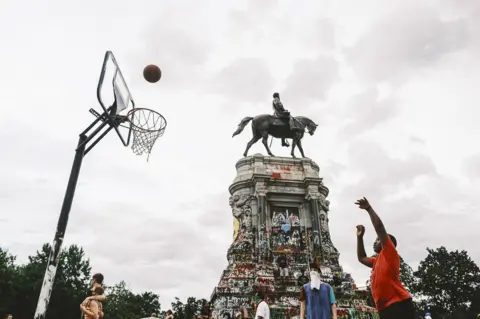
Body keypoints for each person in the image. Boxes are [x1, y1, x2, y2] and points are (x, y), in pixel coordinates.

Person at [355, 197, 414, 319]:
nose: (375, 242)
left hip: (399, 304)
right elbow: (361, 258)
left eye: (378, 240)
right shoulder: (376, 261)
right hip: (384, 307)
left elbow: (380, 228)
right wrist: (360, 238)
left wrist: (369, 209)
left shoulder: (390, 254)